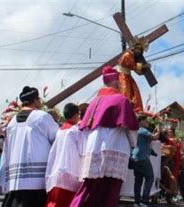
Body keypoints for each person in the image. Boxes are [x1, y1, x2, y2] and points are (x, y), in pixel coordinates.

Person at [70, 66, 138, 207]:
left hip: (92, 150)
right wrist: (133, 143)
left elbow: (84, 130)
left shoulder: (94, 102)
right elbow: (131, 129)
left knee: (89, 188)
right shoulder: (121, 100)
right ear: (117, 83)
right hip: (115, 147)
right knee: (111, 190)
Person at [0, 86, 59, 207]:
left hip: (16, 180)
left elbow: (6, 149)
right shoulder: (42, 117)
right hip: (37, 181)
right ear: (36, 100)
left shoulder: (12, 122)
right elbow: (58, 140)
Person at [45, 103, 86, 207]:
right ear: (76, 115)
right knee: (68, 201)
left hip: (57, 169)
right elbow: (82, 150)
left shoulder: (59, 131)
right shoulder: (75, 131)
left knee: (55, 200)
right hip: (71, 169)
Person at [117, 37, 151, 112]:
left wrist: (144, 69)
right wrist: (144, 66)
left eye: (140, 50)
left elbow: (137, 71)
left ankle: (135, 111)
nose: (138, 51)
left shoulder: (133, 57)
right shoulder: (128, 54)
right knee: (125, 93)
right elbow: (133, 66)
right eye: (137, 49)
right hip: (122, 76)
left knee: (135, 93)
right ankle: (124, 109)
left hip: (127, 76)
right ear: (133, 48)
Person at [132, 115, 160, 205]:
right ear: (141, 121)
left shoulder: (136, 130)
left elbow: (147, 141)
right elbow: (155, 138)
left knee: (138, 180)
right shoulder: (143, 130)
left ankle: (137, 200)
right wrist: (159, 131)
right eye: (146, 121)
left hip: (135, 157)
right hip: (143, 158)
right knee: (150, 177)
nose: (147, 123)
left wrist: (154, 132)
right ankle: (145, 199)